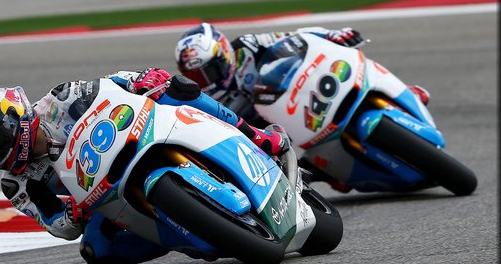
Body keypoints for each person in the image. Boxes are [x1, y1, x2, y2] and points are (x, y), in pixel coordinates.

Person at [0, 68, 289, 264]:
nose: (0, 154)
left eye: (0, 142)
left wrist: (141, 79)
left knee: (175, 87)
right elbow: (54, 224)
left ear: (18, 119)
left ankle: (255, 135)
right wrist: (71, 215)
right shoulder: (17, 183)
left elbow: (110, 84)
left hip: (133, 134)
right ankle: (186, 234)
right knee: (97, 252)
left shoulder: (60, 99)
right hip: (100, 199)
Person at [173, 22, 431, 192]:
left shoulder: (248, 46)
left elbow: (296, 38)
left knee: (359, 67)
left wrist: (332, 35)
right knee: (327, 178)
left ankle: (401, 92)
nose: (206, 81)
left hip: (296, 97)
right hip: (272, 131)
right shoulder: (211, 99)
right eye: (196, 77)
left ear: (224, 53)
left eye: (209, 71)